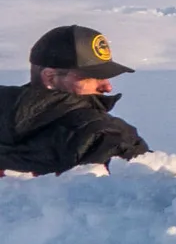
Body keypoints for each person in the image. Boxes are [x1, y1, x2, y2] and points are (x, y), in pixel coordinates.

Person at [0, 25, 150, 175]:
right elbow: (154, 188)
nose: (107, 87)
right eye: (93, 77)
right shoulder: (102, 134)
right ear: (50, 78)